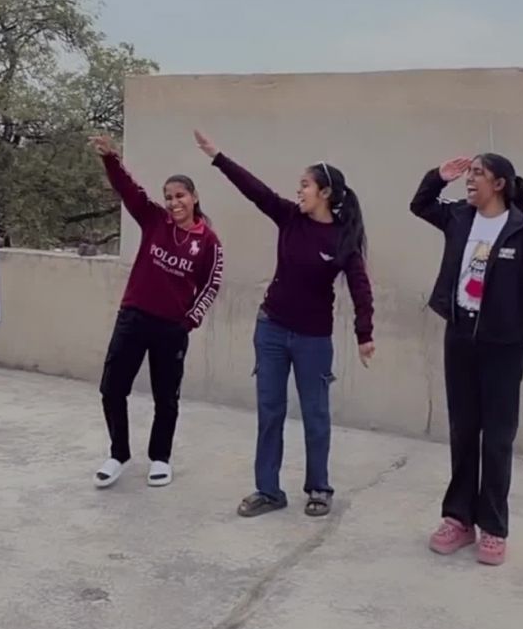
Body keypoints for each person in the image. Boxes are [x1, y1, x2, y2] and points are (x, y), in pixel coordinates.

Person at [194, 130, 375, 518]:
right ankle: (268, 491)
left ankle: (319, 488)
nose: (299, 191)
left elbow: (361, 287)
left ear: (325, 192)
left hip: (313, 339)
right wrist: (217, 156)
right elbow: (255, 190)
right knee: (270, 412)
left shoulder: (342, 238)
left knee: (316, 415)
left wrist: (365, 334)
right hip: (271, 329)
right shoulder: (290, 217)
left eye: (305, 185)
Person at [410, 153, 523, 566]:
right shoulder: (459, 217)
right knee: (463, 432)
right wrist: (438, 176)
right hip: (460, 338)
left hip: (503, 347)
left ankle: (493, 526)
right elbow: (420, 205)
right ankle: (459, 519)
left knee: (496, 438)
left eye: (479, 174)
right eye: (470, 173)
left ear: (500, 184)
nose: (470, 180)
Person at [89, 135, 224, 489]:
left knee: (166, 398)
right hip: (133, 318)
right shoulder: (154, 220)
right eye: (169, 197)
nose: (174, 202)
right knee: (112, 388)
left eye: (180, 196)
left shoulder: (208, 242)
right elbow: (128, 189)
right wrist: (111, 158)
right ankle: (118, 454)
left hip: (171, 328)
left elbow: (211, 284)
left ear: (194, 197)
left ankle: (160, 458)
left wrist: (188, 321)